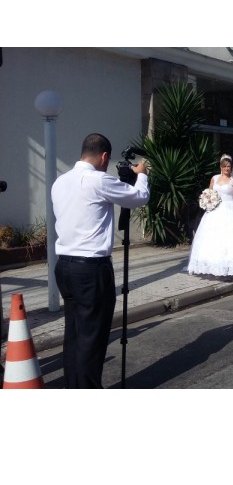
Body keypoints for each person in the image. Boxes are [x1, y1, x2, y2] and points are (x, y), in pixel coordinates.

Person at [52, 133, 150, 388]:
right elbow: (139, 197)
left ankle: (73, 387)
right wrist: (141, 174)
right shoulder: (97, 180)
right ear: (104, 156)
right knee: (91, 340)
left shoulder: (60, 182)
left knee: (74, 335)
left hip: (64, 266)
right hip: (91, 269)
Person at [187, 154, 233, 278]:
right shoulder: (214, 178)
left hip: (230, 209)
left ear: (231, 167)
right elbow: (209, 192)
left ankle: (230, 265)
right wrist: (207, 201)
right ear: (220, 167)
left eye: (229, 166)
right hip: (214, 210)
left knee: (229, 237)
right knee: (211, 237)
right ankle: (209, 264)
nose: (227, 168)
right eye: (224, 166)